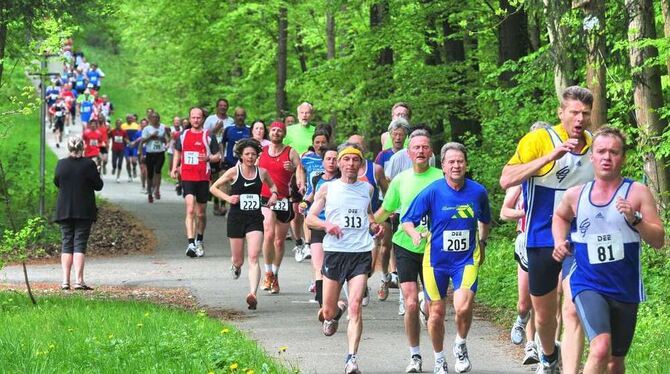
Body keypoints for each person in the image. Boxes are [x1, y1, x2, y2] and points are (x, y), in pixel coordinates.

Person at [552, 127, 665, 374]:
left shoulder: (636, 192)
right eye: (601, 151)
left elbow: (658, 240)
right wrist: (560, 241)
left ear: (622, 158)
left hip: (624, 287)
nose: (606, 157)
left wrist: (635, 220)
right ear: (591, 157)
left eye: (613, 152)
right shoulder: (576, 195)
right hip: (588, 282)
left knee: (615, 361)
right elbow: (560, 216)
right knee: (600, 348)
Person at [500, 86, 595, 374]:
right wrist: (548, 158)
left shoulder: (595, 143)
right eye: (574, 112)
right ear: (561, 113)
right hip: (540, 238)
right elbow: (506, 179)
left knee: (572, 308)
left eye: (586, 114)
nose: (580, 119)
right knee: (543, 317)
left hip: (579, 239)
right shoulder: (539, 139)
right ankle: (549, 355)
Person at [403, 142, 491, 374]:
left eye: (460, 161)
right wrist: (414, 235)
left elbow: (485, 219)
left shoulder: (478, 191)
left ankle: (460, 344)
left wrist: (482, 243)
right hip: (436, 262)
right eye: (451, 162)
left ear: (466, 164)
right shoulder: (433, 191)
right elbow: (407, 220)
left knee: (462, 307)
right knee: (436, 313)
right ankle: (439, 358)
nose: (456, 165)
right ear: (442, 166)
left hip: (466, 260)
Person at [305, 142, 384, 374]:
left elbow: (368, 215)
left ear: (361, 164)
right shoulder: (327, 189)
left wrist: (374, 227)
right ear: (339, 163)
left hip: (360, 253)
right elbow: (310, 219)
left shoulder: (367, 189)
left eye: (355, 160)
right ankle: (334, 313)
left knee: (356, 305)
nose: (350, 164)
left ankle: (351, 359)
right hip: (335, 254)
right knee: (327, 311)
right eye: (346, 160)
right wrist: (326, 224)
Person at [373, 129, 443, 373]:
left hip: (435, 248)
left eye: (425, 147)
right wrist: (369, 223)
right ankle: (415, 356)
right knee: (410, 303)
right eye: (416, 148)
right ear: (409, 153)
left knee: (435, 306)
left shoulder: (442, 178)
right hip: (405, 245)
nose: (421, 151)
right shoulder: (400, 180)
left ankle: (439, 357)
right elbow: (385, 209)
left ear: (431, 151)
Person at [500, 122, 550, 366]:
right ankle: (521, 320)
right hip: (526, 241)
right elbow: (504, 211)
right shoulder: (522, 180)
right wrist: (524, 214)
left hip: (554, 243)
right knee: (526, 301)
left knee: (551, 302)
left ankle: (538, 348)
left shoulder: (559, 176)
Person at [210, 139, 278, 310]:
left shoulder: (262, 172)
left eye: (253, 154)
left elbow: (273, 186)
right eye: (247, 154)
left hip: (255, 218)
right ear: (241, 155)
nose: (250, 157)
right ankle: (236, 266)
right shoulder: (233, 172)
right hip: (236, 217)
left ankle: (252, 294)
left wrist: (274, 195)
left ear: (257, 156)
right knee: (239, 259)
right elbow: (213, 188)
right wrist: (228, 198)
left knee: (254, 257)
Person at [258, 121, 304, 294]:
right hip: (265, 198)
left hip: (284, 199)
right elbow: (252, 170)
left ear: (284, 134)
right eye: (274, 129)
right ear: (270, 132)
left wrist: (294, 171)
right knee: (268, 233)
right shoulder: (261, 152)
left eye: (280, 130)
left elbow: (299, 169)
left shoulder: (290, 151)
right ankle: (267, 272)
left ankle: (275, 275)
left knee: (279, 240)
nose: (276, 132)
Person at [54, 136, 103, 291]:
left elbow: (57, 182)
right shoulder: (89, 164)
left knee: (66, 243)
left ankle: (65, 281)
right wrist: (97, 173)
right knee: (79, 244)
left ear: (69, 148)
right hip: (84, 210)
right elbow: (98, 185)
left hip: (64, 210)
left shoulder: (61, 164)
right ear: (83, 148)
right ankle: (78, 281)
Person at [172, 107, 221, 257]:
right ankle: (191, 243)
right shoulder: (183, 135)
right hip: (187, 176)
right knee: (190, 209)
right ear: (189, 118)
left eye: (198, 117)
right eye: (193, 117)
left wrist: (209, 158)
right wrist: (175, 167)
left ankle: (199, 239)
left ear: (202, 119)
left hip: (203, 177)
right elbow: (177, 152)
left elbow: (218, 155)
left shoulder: (208, 136)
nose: (195, 120)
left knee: (200, 213)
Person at [374, 118, 410, 302]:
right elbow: (381, 179)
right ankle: (384, 277)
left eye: (401, 134)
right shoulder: (383, 156)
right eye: (394, 134)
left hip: (405, 206)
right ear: (390, 136)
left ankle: (402, 281)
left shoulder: (410, 154)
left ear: (406, 136)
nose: (397, 137)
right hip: (387, 203)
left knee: (402, 245)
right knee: (386, 244)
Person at [299, 145, 340, 306]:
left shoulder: (342, 181)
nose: (331, 162)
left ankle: (333, 294)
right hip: (318, 225)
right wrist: (304, 202)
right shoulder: (317, 178)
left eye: (335, 159)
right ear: (322, 162)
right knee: (318, 264)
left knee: (333, 265)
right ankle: (322, 300)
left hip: (336, 227)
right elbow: (312, 194)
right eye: (328, 159)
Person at [294, 128, 331, 262]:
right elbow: (300, 168)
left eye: (323, 142)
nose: (320, 145)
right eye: (317, 142)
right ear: (313, 143)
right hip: (311, 193)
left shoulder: (331, 158)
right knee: (308, 215)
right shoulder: (307, 157)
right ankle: (309, 244)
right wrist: (301, 182)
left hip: (329, 197)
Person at [142, 112, 169, 203]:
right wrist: (151, 136)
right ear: (150, 119)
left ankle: (157, 190)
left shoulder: (163, 127)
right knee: (150, 174)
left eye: (157, 117)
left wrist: (164, 139)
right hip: (150, 153)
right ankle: (150, 192)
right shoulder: (146, 129)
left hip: (160, 153)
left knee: (158, 170)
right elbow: (143, 141)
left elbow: (167, 139)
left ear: (159, 118)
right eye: (153, 117)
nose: (155, 119)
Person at [122, 114, 141, 181]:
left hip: (134, 145)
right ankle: (129, 175)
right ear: (126, 119)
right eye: (128, 118)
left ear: (133, 119)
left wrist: (135, 142)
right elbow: (122, 135)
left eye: (131, 118)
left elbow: (139, 135)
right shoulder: (123, 126)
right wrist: (127, 141)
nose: (129, 119)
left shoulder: (136, 126)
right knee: (127, 161)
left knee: (134, 161)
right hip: (126, 146)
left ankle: (134, 168)